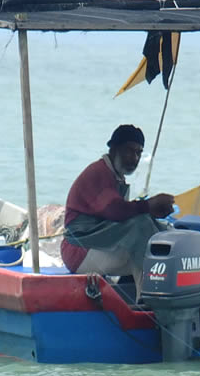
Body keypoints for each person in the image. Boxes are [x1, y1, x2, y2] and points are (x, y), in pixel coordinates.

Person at [61, 124, 176, 299]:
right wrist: (149, 205)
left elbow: (124, 216)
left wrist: (153, 212)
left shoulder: (116, 175)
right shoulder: (99, 172)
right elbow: (114, 210)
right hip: (78, 250)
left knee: (154, 235)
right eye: (129, 151)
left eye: (138, 152)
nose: (134, 158)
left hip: (97, 244)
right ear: (114, 149)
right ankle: (147, 302)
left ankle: (148, 299)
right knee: (142, 228)